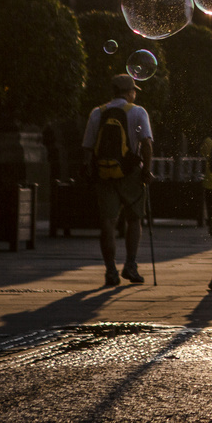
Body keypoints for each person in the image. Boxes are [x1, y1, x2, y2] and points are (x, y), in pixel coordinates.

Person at [81, 74, 154, 287]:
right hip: (131, 174)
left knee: (108, 223)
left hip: (104, 174)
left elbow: (87, 148)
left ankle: (110, 271)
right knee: (134, 219)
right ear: (130, 91)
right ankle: (130, 265)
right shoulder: (138, 112)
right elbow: (147, 144)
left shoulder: (97, 113)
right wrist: (147, 171)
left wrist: (89, 171)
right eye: (134, 91)